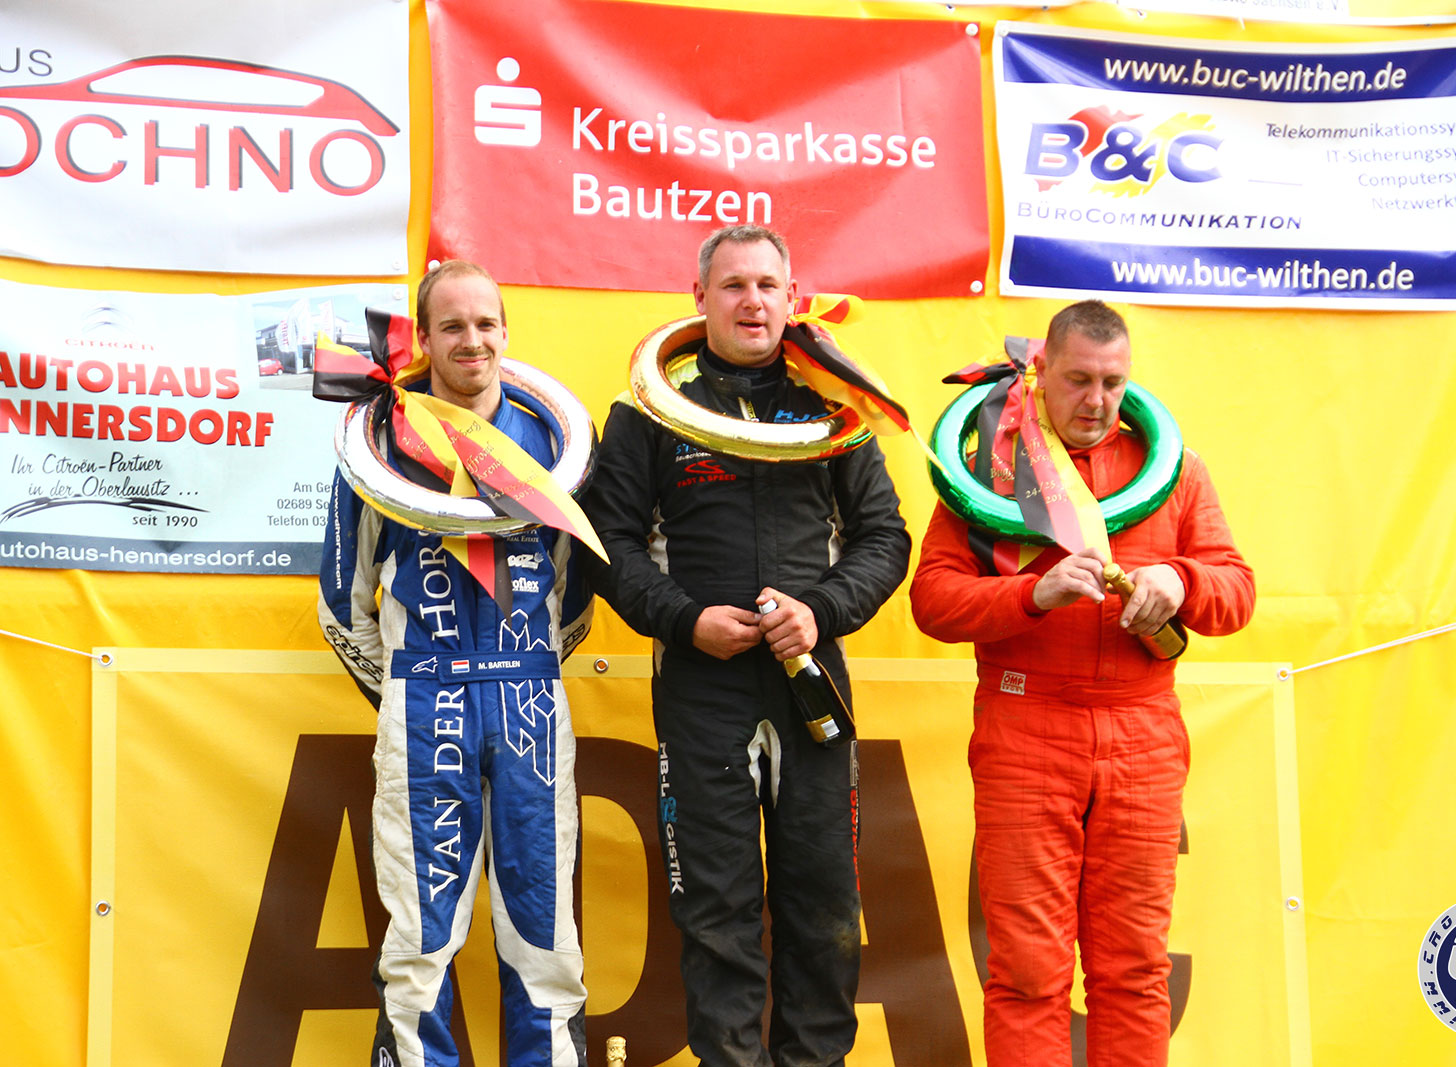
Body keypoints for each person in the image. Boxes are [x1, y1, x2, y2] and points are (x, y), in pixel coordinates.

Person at [581, 225, 911, 1067]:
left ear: (792, 298)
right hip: (703, 686)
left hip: (810, 682)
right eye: (733, 285)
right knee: (716, 914)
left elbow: (884, 537)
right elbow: (606, 543)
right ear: (699, 299)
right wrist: (683, 619)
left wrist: (822, 611)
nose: (752, 301)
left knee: (825, 907)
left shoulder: (835, 406)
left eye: (768, 285)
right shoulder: (649, 408)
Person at [909, 300, 1254, 1067]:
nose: (1097, 401)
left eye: (1113, 382)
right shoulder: (990, 472)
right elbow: (932, 601)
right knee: (1027, 971)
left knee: (1135, 968)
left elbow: (1237, 592)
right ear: (1042, 371)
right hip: (1026, 728)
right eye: (1079, 380)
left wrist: (1182, 578)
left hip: (1142, 732)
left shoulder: (1176, 468)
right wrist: (1030, 594)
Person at [318, 260, 591, 1067]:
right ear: (427, 340)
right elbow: (341, 602)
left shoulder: (554, 436)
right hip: (423, 701)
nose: (472, 340)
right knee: (420, 937)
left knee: (545, 934)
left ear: (506, 330)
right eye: (452, 326)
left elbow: (575, 594)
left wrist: (525, 667)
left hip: (529, 703)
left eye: (485, 323)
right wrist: (405, 686)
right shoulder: (380, 439)